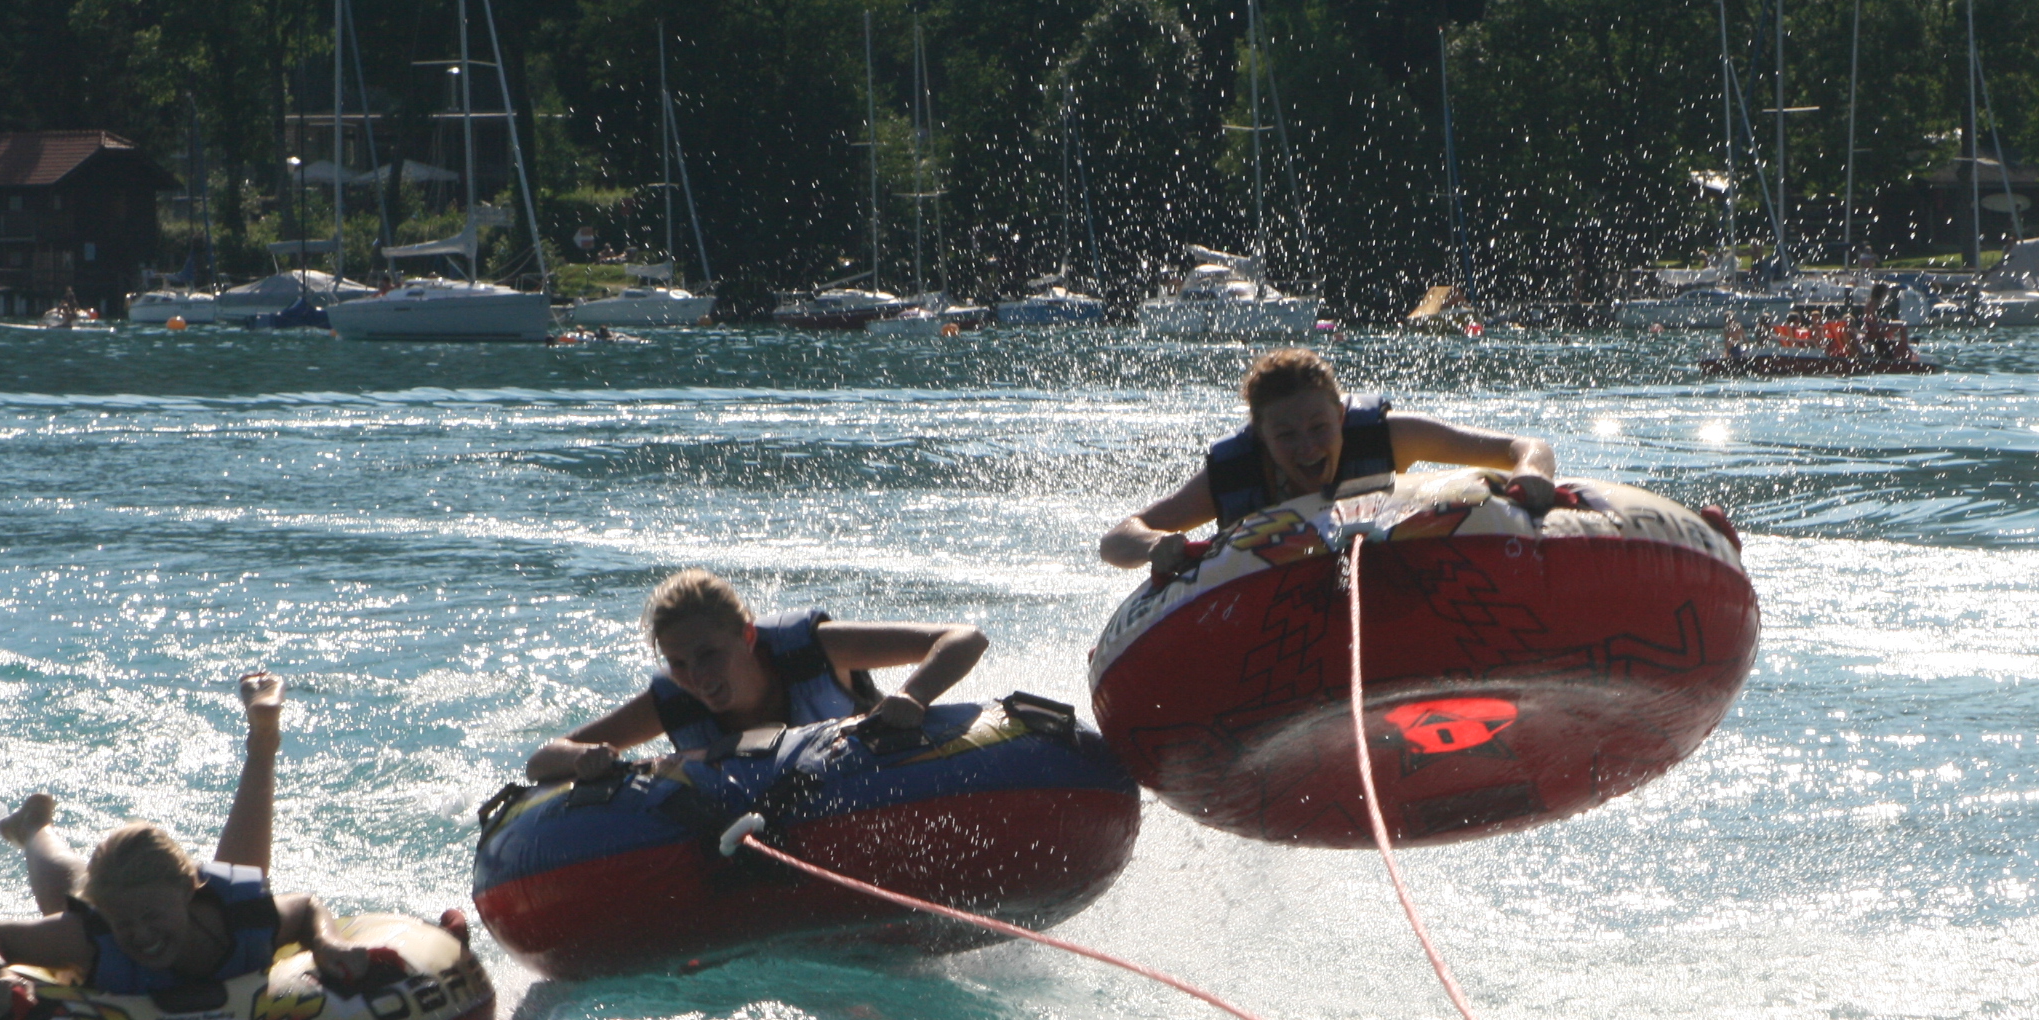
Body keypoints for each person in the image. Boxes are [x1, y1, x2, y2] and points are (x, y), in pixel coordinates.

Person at [0, 674, 369, 1012]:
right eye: (126, 922)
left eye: (150, 916)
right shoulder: (92, 934)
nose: (140, 934)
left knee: (244, 891)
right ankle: (33, 828)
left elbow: (308, 907)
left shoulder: (243, 917)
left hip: (206, 900)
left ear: (190, 888)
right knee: (68, 894)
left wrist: (326, 940)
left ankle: (263, 743)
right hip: (136, 898)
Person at [1099, 347, 1557, 580]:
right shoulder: (1234, 474)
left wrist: (1532, 474)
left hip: (1383, 576)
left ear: (1340, 415)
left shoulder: (1391, 436)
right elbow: (1118, 537)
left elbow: (1524, 446)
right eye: (1286, 436)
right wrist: (1153, 546)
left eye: (1319, 427)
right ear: (1261, 437)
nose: (1307, 448)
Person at [525, 569, 988, 783]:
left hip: (881, 783)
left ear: (747, 636)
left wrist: (913, 695)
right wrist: (588, 756)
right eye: (679, 662)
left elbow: (964, 637)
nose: (697, 676)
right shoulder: (674, 699)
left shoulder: (815, 651)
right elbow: (543, 758)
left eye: (709, 654)